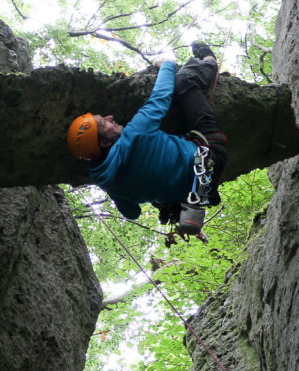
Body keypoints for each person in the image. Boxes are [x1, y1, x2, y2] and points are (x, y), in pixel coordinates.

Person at [67, 42, 228, 232]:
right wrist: (167, 64)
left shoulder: (106, 181)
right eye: (104, 123)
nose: (110, 117)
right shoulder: (134, 133)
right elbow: (160, 97)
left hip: (200, 188)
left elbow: (132, 213)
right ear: (104, 142)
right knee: (184, 81)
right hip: (212, 154)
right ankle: (209, 59)